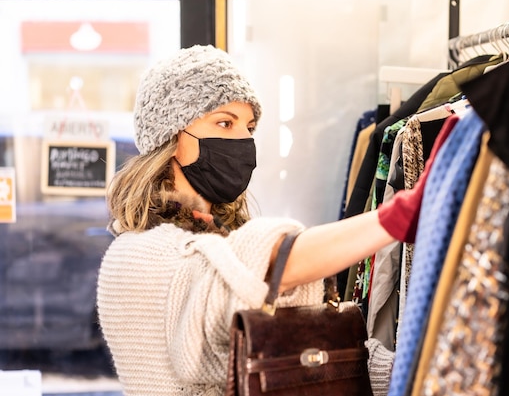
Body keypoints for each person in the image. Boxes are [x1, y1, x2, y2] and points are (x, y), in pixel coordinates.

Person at [96, 45, 424, 396]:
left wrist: (421, 367)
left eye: (249, 127)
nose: (242, 140)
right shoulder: (134, 255)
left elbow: (292, 345)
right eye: (224, 122)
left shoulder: (221, 237)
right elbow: (259, 269)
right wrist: (396, 216)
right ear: (172, 137)